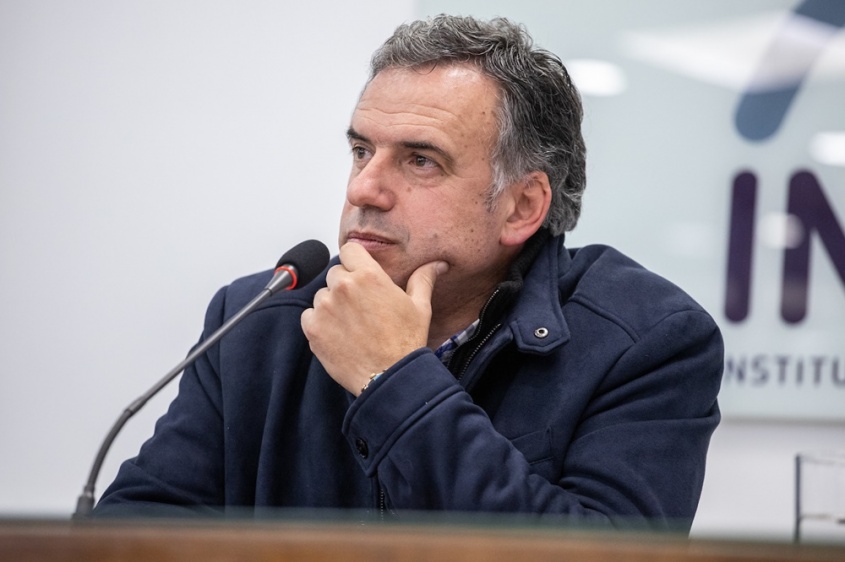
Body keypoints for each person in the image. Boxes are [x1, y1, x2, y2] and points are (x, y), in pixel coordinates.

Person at [94, 15, 723, 532]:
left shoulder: (647, 341)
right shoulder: (258, 319)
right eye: (361, 151)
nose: (363, 188)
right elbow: (137, 532)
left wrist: (393, 378)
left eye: (420, 160)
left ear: (521, 206)